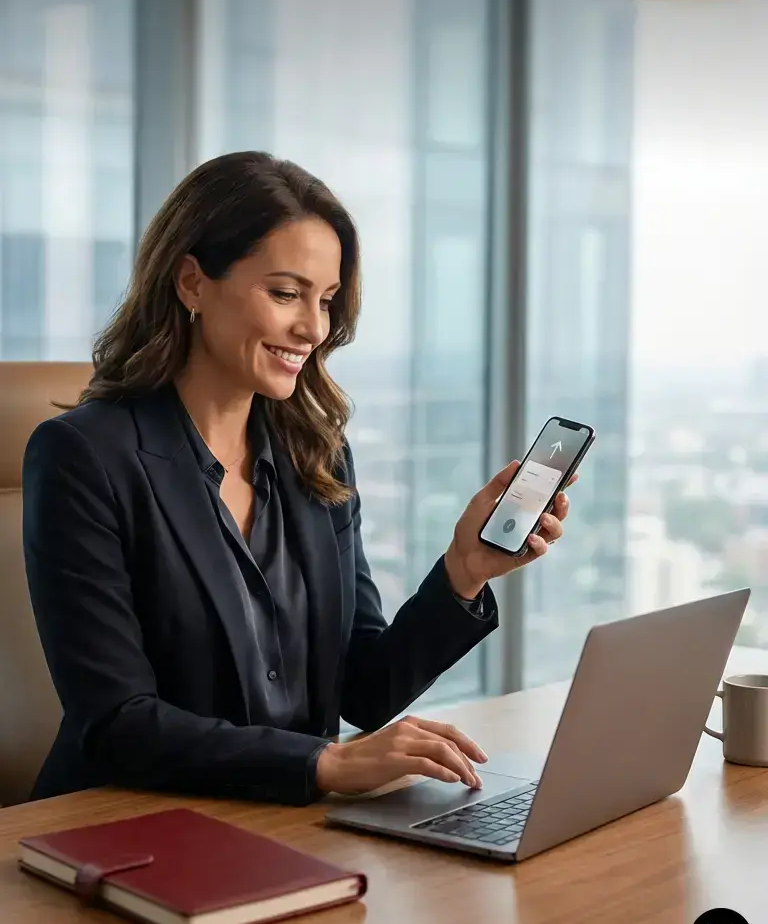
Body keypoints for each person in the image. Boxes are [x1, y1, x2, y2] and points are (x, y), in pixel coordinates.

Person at [23, 151, 571, 807]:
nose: (313, 327)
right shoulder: (83, 456)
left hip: (280, 825)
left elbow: (363, 691)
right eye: (286, 293)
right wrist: (323, 764)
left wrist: (464, 571)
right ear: (192, 282)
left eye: (327, 300)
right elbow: (118, 723)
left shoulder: (315, 454)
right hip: (123, 826)